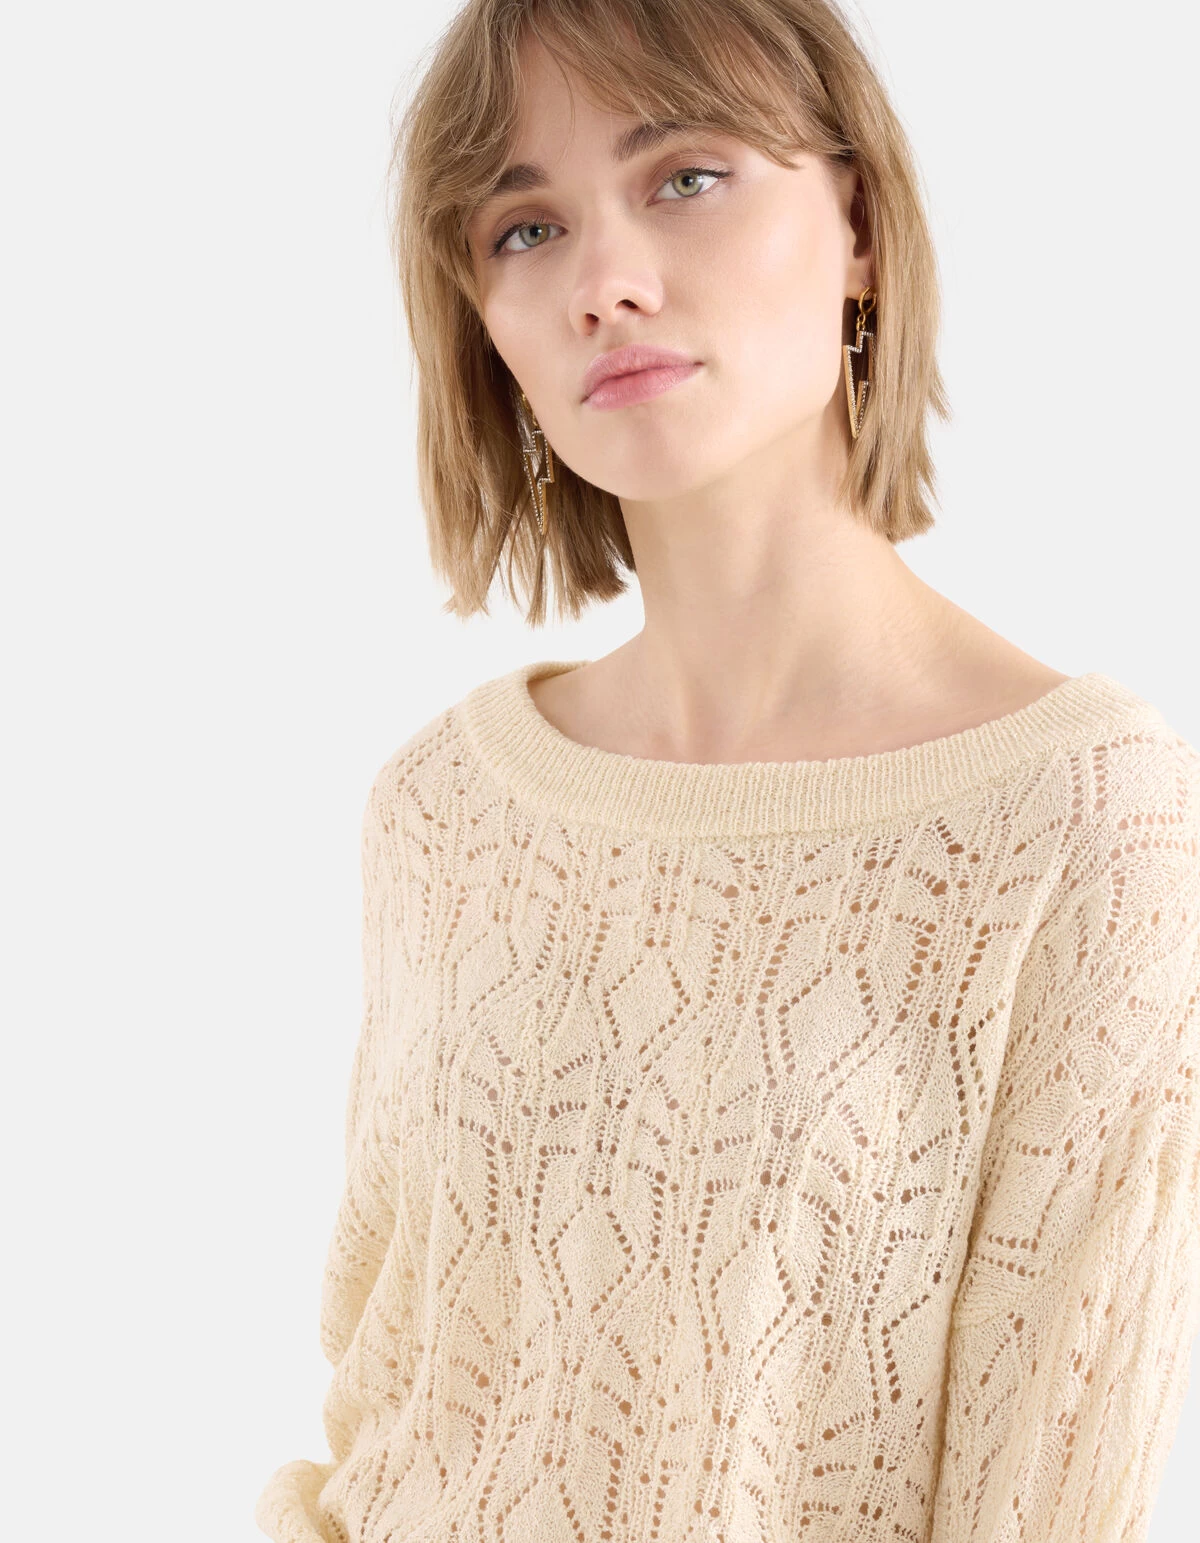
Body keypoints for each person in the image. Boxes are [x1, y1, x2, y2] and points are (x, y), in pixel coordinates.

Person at [255, 2, 1200, 1539]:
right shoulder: (443, 809)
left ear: (861, 229)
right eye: (525, 228)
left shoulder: (1082, 823)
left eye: (685, 177)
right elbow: (382, 1399)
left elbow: (1045, 1491)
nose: (605, 281)